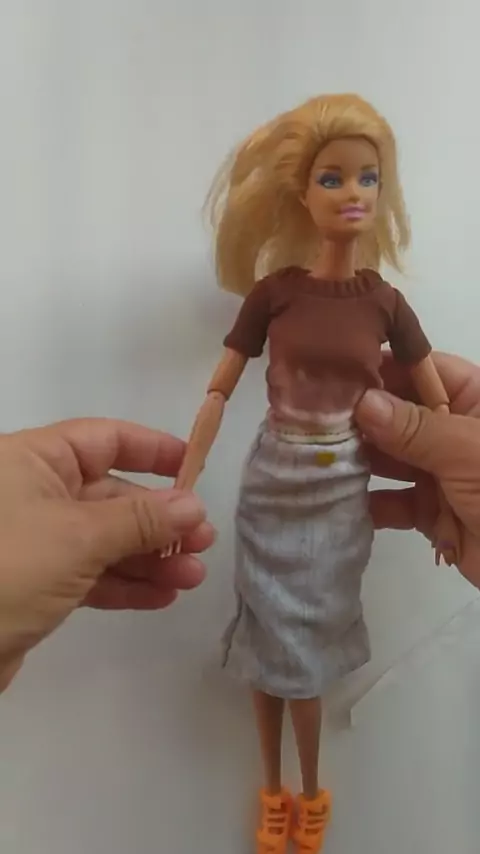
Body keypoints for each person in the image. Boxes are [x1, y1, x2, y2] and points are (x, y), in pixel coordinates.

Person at [0, 350, 478, 700]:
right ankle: (277, 779)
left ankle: (309, 784)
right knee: (266, 621)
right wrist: (183, 484)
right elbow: (218, 393)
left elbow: (440, 407)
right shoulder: (275, 295)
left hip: (339, 474)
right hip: (276, 478)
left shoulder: (383, 304)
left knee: (317, 621)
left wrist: (444, 515)